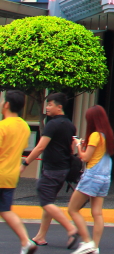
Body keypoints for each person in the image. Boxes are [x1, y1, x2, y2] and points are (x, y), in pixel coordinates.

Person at [21, 93, 78, 249]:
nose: (47, 107)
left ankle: (71, 229)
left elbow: (40, 146)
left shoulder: (53, 125)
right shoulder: (70, 125)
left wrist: (25, 163)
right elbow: (71, 147)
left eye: (50, 104)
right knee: (49, 200)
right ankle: (40, 236)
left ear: (59, 107)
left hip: (53, 168)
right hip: (64, 168)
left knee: (45, 199)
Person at [69, 106, 114, 254]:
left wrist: (78, 146)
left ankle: (87, 242)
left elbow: (85, 157)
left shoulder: (95, 135)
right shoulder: (107, 135)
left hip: (92, 176)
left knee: (73, 209)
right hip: (105, 177)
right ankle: (95, 246)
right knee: (97, 213)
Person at [0, 91, 38, 254]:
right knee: (6, 210)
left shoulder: (3, 126)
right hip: (11, 175)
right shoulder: (24, 126)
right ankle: (25, 241)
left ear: (7, 104)